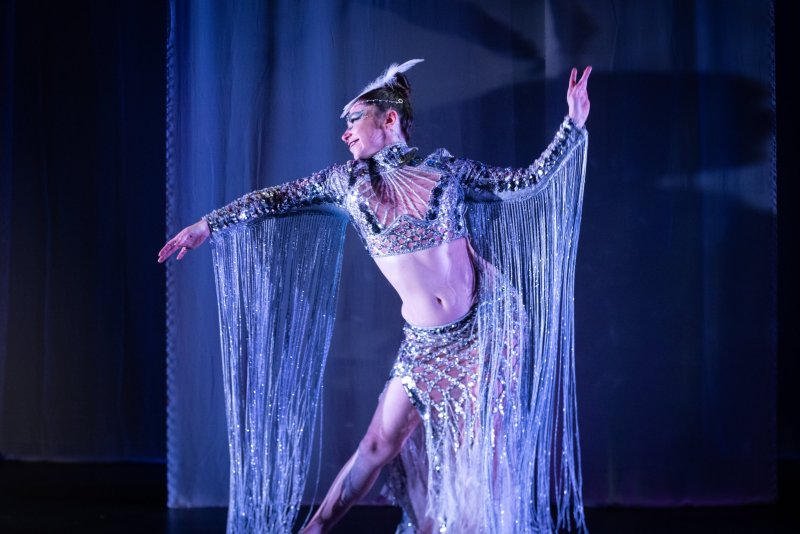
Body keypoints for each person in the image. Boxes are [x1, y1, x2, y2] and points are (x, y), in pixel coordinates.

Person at [159, 60, 591, 533]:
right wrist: (208, 224)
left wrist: (572, 126)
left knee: (479, 458)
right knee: (376, 447)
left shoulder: (445, 171)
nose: (345, 134)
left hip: (487, 329)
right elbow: (275, 198)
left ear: (389, 119)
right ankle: (314, 530)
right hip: (426, 346)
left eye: (354, 120)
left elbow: (524, 183)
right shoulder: (348, 184)